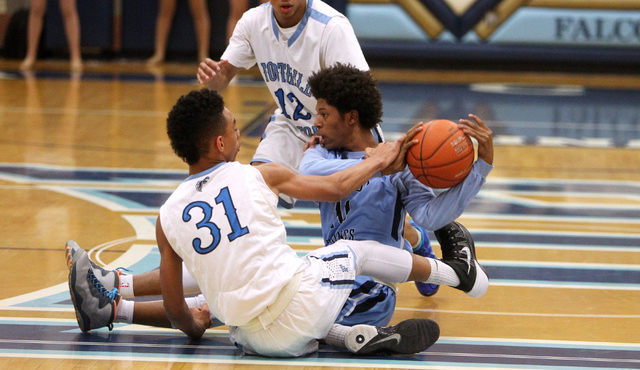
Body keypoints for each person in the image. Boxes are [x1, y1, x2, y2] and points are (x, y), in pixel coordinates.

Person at [66, 88, 489, 357]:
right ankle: (457, 275)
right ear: (220, 142)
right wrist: (377, 159)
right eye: (234, 127)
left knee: (219, 272)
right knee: (350, 254)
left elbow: (178, 306)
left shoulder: (168, 216)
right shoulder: (257, 174)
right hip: (301, 306)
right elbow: (338, 187)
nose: (239, 132)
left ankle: (116, 304)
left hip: (247, 337)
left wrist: (194, 328)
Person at [198, 0, 437, 290]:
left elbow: (362, 93)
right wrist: (213, 80)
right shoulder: (252, 23)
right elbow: (224, 77)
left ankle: (416, 241)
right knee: (253, 192)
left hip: (343, 131)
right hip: (291, 127)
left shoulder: (331, 27)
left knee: (373, 216)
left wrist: (369, 151)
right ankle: (250, 275)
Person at [300, 63, 494, 326]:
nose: (316, 121)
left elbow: (430, 215)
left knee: (307, 323)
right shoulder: (320, 153)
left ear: (351, 117)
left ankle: (414, 240)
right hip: (332, 276)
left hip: (375, 287)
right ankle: (412, 238)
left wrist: (480, 169)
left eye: (324, 113)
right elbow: (309, 172)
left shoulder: (401, 168)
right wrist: (378, 165)